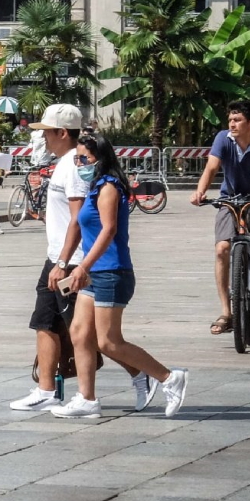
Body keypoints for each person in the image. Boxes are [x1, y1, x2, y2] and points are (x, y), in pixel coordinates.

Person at [8, 105, 155, 414]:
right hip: (59, 256)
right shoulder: (66, 162)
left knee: (93, 335)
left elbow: (79, 219)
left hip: (74, 260)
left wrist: (66, 263)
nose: (43, 137)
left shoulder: (74, 166)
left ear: (62, 133)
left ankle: (141, 374)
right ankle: (47, 389)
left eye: (47, 131)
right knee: (45, 321)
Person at [51, 134, 188, 419]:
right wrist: (67, 263)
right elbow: (80, 227)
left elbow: (108, 230)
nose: (79, 163)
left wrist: (82, 267)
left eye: (84, 159)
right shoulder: (94, 186)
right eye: (76, 158)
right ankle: (87, 399)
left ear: (100, 158)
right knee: (79, 332)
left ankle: (168, 377)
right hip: (95, 273)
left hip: (111, 272)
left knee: (109, 341)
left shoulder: (109, 187)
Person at [190, 100, 250, 336]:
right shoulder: (223, 139)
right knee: (221, 249)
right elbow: (211, 168)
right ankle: (227, 312)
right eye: (230, 120)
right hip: (231, 199)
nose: (232, 124)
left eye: (238, 120)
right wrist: (200, 191)